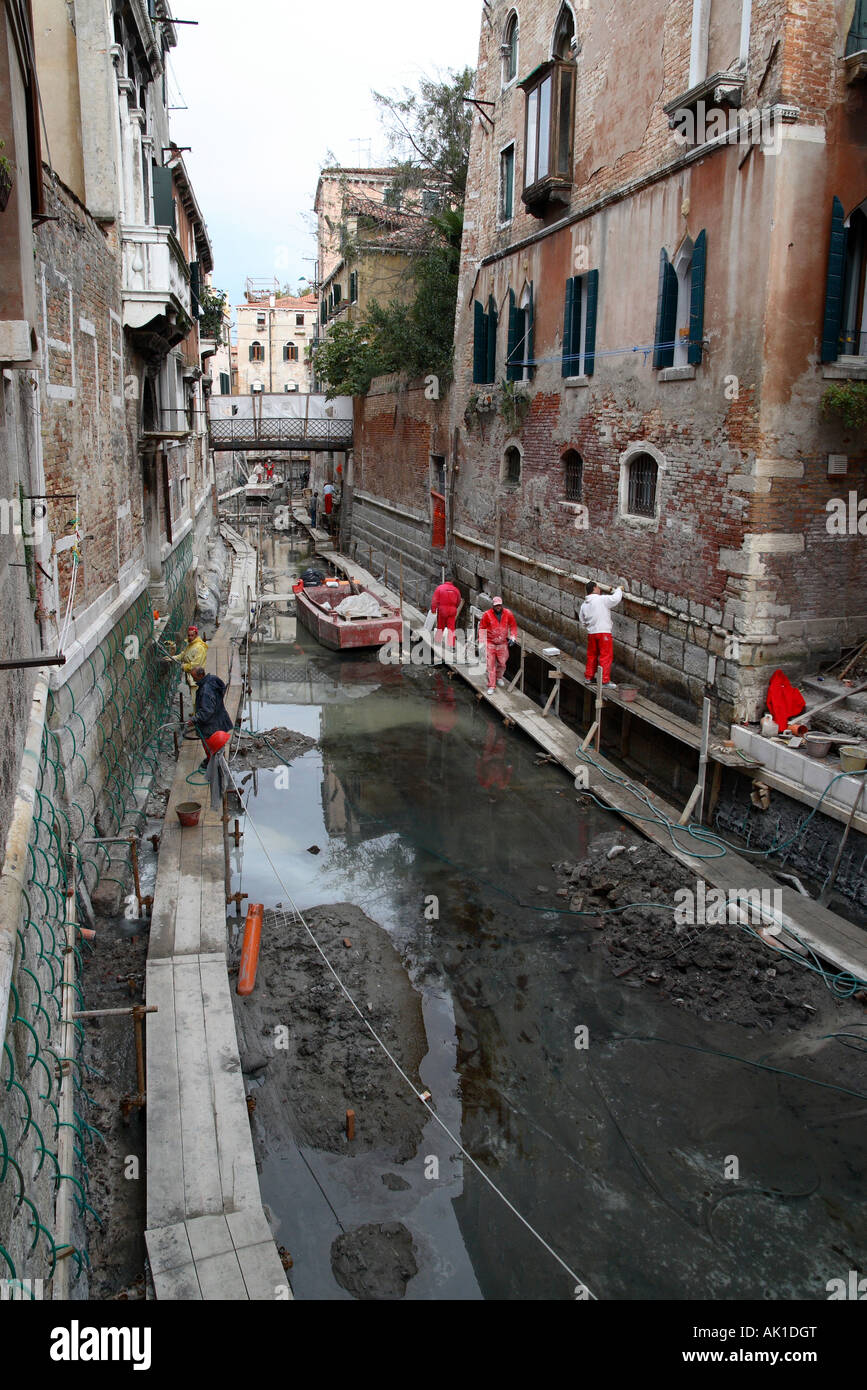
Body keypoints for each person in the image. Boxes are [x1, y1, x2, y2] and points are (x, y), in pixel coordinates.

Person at [579, 580, 624, 687]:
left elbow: (582, 620)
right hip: (603, 633)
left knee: (592, 655)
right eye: (598, 587)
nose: (600, 589)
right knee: (605, 656)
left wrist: (590, 627)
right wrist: (618, 590)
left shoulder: (584, 605)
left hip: (592, 633)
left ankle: (589, 678)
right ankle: (604, 681)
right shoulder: (601, 599)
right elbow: (615, 598)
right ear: (594, 588)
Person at [190, 667, 234, 770]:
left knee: (210, 745)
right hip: (219, 716)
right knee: (218, 744)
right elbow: (222, 690)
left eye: (194, 677)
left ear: (201, 675)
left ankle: (213, 763)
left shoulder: (205, 691)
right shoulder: (213, 680)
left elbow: (207, 711)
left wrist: (194, 719)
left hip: (210, 724)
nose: (193, 680)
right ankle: (215, 760)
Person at [479, 596, 518, 694]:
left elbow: (513, 626)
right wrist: (482, 642)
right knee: (491, 665)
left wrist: (513, 637)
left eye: (499, 605)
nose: (498, 607)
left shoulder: (508, 613)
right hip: (490, 642)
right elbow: (482, 628)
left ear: (502, 605)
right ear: (493, 605)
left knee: (502, 663)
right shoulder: (487, 615)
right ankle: (491, 685)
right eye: (496, 605)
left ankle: (499, 677)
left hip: (502, 643)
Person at [167, 625, 208, 693]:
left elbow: (196, 666)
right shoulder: (191, 645)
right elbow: (183, 655)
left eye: (192, 635)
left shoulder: (199, 647)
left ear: (196, 635)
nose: (190, 637)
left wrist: (184, 666)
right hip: (191, 677)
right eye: (189, 635)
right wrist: (172, 658)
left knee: (197, 697)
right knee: (193, 695)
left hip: (196, 678)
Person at [430, 576, 462, 648]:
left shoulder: (439, 588)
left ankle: (438, 642)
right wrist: (454, 607)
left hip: (442, 610)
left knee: (440, 626)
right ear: (452, 581)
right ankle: (451, 645)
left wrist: (433, 610)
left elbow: (434, 600)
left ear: (445, 580)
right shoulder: (456, 590)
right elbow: (459, 601)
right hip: (452, 611)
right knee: (451, 628)